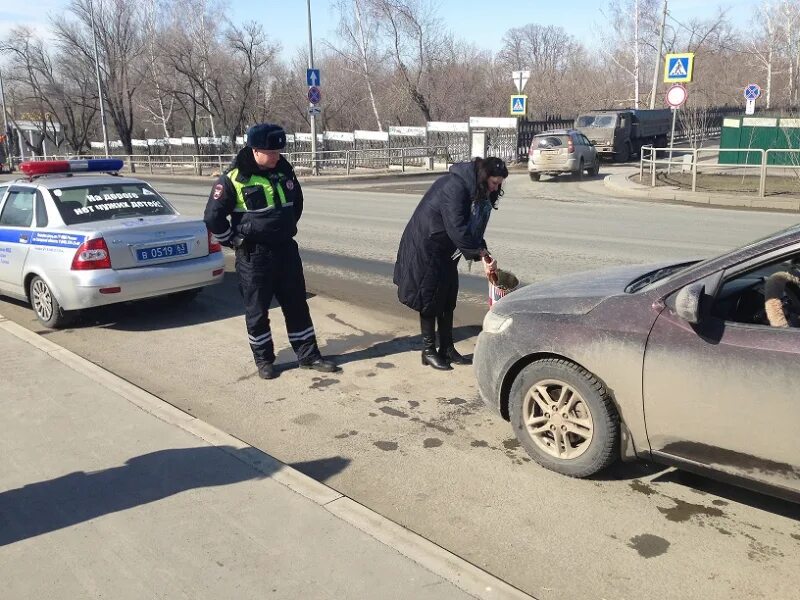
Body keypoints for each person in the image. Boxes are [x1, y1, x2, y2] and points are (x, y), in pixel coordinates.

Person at [203, 123, 338, 380]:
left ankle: (308, 356)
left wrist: (283, 228)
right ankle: (264, 360)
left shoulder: (284, 172)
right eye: (271, 152)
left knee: (297, 305)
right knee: (257, 310)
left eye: (279, 151)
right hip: (254, 256)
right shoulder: (233, 179)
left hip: (286, 251)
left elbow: (295, 204)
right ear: (255, 150)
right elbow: (212, 218)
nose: (277, 156)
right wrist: (233, 240)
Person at [394, 156, 508, 370]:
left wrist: (483, 250)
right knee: (429, 299)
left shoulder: (475, 188)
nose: (496, 189)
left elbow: (471, 227)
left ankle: (447, 348)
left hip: (447, 248)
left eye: (499, 184)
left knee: (447, 298)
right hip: (428, 244)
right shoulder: (455, 187)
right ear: (484, 177)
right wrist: (480, 254)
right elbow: (457, 227)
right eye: (494, 183)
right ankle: (428, 351)